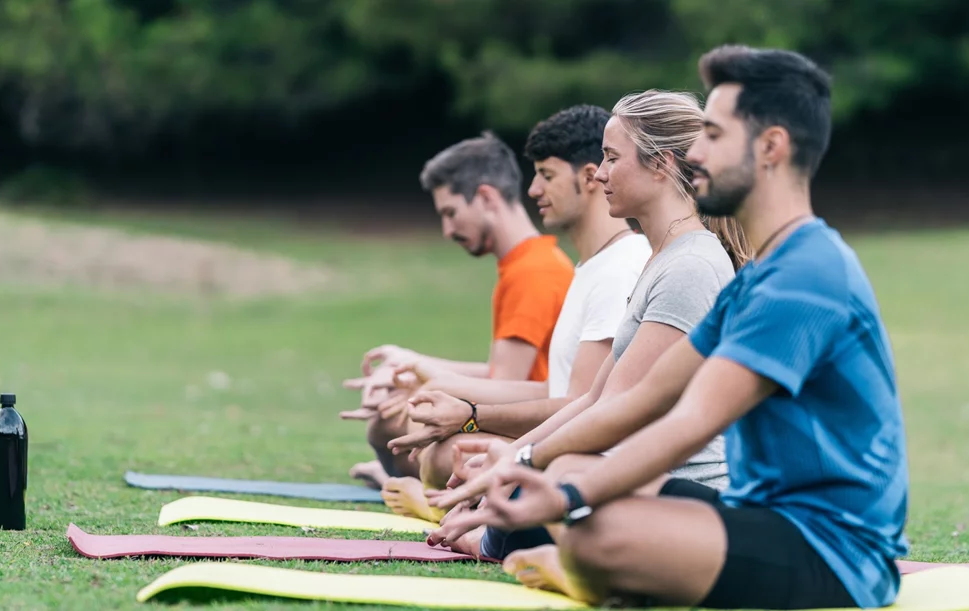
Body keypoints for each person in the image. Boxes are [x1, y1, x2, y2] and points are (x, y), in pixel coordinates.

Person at [424, 45, 911, 611]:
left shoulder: (804, 275)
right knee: (578, 482)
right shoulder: (761, 274)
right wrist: (526, 465)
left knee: (597, 532)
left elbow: (690, 420)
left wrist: (565, 495)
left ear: (772, 147)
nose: (695, 152)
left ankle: (588, 568)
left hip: (832, 551)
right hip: (758, 514)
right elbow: (640, 398)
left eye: (713, 135)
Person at [393, 89, 753, 541]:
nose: (599, 174)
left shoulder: (691, 266)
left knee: (549, 479)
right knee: (523, 472)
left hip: (680, 490)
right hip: (625, 472)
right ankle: (488, 526)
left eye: (610, 158)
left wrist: (517, 462)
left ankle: (481, 536)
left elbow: (616, 410)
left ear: (660, 165)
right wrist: (510, 457)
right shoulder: (662, 258)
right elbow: (593, 398)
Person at [375, 104, 653, 518]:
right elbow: (556, 388)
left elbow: (583, 404)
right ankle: (464, 503)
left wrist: (469, 416)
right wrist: (446, 388)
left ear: (588, 176)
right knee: (438, 449)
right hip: (563, 440)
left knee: (445, 455)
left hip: (590, 458)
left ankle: (457, 508)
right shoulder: (590, 265)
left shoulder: (619, 268)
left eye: (547, 176)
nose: (533, 190)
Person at [347, 131, 576, 485]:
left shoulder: (535, 270)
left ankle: (407, 480)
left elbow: (507, 385)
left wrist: (425, 378)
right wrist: (412, 365)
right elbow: (503, 372)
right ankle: (401, 474)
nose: (446, 229)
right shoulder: (524, 264)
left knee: (409, 429)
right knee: (395, 417)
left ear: (485, 197)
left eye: (451, 213)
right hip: (519, 416)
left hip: (532, 429)